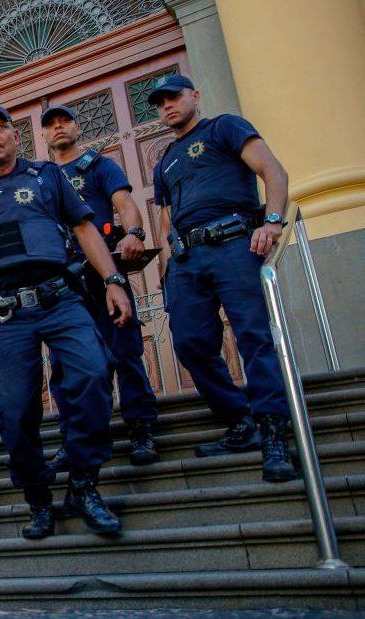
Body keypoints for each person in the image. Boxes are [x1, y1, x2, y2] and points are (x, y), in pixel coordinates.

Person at [0, 105, 133, 541]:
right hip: (6, 315)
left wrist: (113, 281)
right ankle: (37, 496)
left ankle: (84, 483)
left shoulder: (47, 176)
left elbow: (85, 228)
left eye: (0, 129)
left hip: (60, 298)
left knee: (93, 371)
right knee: (15, 409)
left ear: (16, 136)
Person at [150, 75, 295, 482]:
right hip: (186, 259)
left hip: (234, 243)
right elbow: (164, 220)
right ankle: (239, 419)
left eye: (174, 97)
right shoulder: (165, 160)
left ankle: (273, 432)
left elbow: (273, 170)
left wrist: (271, 222)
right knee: (191, 342)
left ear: (195, 96)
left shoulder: (225, 126)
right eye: (160, 103)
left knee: (253, 336)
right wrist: (167, 267)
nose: (168, 107)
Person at [39, 104, 161, 468]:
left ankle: (140, 428)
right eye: (51, 125)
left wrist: (135, 233)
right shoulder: (40, 178)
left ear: (77, 127)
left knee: (123, 351)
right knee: (64, 364)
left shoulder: (99, 166)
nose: (59, 128)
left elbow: (124, 203)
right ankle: (75, 435)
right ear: (43, 136)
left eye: (65, 121)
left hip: (104, 273)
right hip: (63, 283)